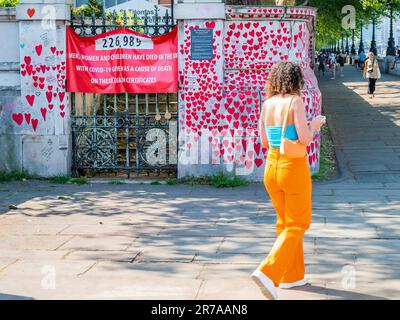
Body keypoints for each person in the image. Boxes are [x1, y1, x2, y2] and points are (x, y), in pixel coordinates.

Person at [252, 62, 326, 300]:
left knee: (285, 223)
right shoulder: (295, 102)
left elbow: (264, 141)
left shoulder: (267, 104)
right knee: (298, 223)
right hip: (292, 168)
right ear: (295, 81)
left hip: (271, 167)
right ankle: (268, 271)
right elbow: (304, 138)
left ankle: (291, 276)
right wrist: (315, 126)